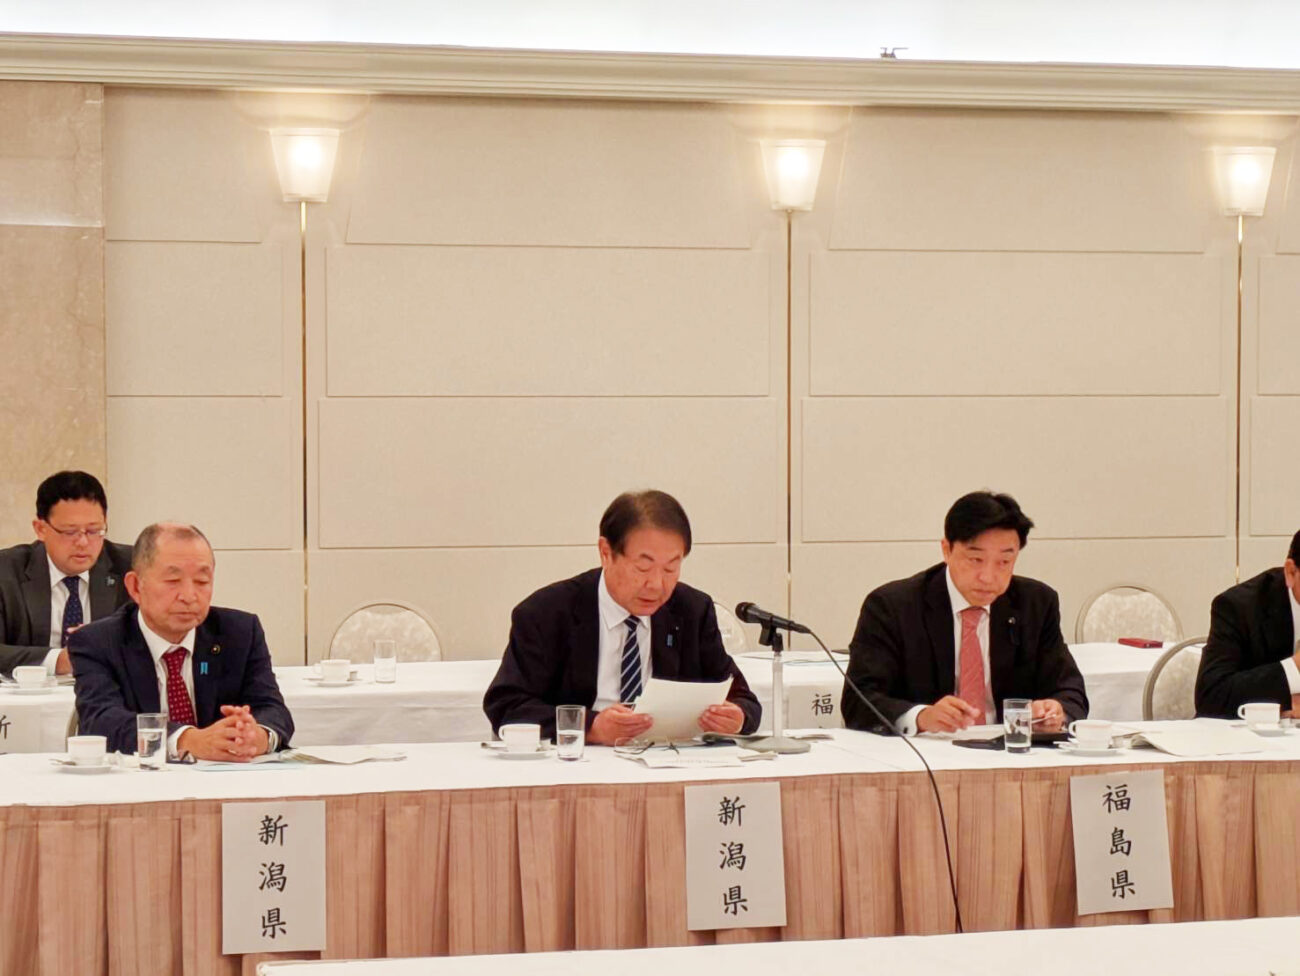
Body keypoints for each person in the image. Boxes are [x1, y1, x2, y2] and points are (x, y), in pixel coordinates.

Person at [483, 490, 762, 743]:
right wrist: (590, 727)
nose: (657, 585)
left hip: (665, 760)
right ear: (606, 553)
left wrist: (737, 718)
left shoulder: (692, 610)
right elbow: (507, 705)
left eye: (670, 569)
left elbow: (743, 699)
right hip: (578, 763)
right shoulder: (546, 613)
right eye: (643, 568)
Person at [842, 490, 1087, 734]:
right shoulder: (892, 606)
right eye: (975, 559)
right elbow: (858, 701)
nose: (988, 577)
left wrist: (1056, 712)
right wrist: (921, 717)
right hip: (926, 748)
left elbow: (1070, 691)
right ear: (946, 550)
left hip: (1008, 748)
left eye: (1004, 562)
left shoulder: (1036, 604)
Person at [70, 522, 293, 760]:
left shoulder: (240, 633)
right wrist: (187, 740)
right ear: (135, 587)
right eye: (173, 581)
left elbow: (273, 710)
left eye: (202, 581)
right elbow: (102, 721)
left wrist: (255, 735)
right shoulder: (97, 642)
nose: (189, 596)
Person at [0, 471, 133, 676]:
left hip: (109, 691)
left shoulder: (131, 567)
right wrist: (60, 660)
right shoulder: (6, 571)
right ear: (41, 529)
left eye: (94, 531)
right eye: (70, 532)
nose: (83, 542)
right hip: (28, 694)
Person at [1195, 530, 1300, 720]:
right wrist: (1294, 668)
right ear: (1291, 572)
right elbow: (1211, 697)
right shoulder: (1240, 607)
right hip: (1250, 735)